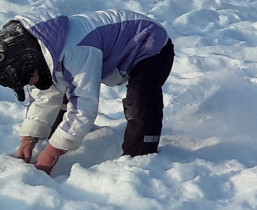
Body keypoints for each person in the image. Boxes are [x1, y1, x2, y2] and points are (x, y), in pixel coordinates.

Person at [0, 10, 175, 175]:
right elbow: (46, 95)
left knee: (141, 100)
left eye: (28, 80)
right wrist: (30, 137)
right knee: (59, 90)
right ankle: (55, 135)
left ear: (29, 61)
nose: (30, 85)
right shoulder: (43, 51)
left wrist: (52, 154)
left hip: (150, 43)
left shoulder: (76, 49)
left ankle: (140, 157)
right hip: (114, 46)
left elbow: (84, 105)